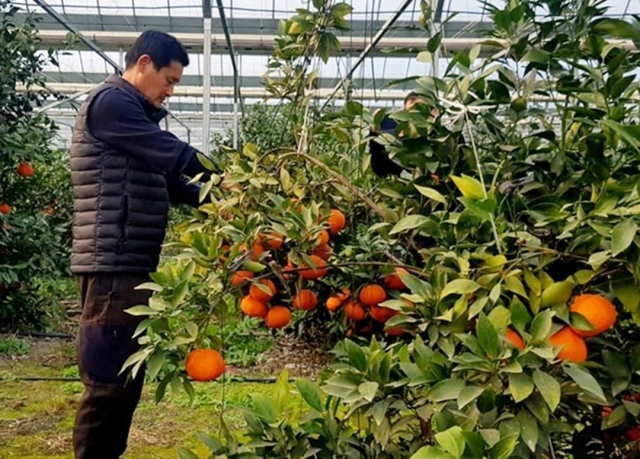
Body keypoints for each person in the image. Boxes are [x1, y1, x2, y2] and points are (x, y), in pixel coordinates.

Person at [69, 30, 218, 459]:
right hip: (112, 262)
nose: (170, 92)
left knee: (125, 380)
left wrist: (223, 200)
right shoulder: (112, 103)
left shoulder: (133, 118)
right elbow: (173, 154)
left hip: (129, 262)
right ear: (144, 63)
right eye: (169, 81)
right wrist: (222, 174)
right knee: (107, 384)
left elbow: (174, 183)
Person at [367, 91, 438, 177]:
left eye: (420, 109)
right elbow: (380, 168)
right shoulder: (397, 142)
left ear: (434, 112)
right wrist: (375, 133)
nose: (414, 117)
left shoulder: (439, 141)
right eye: (409, 112)